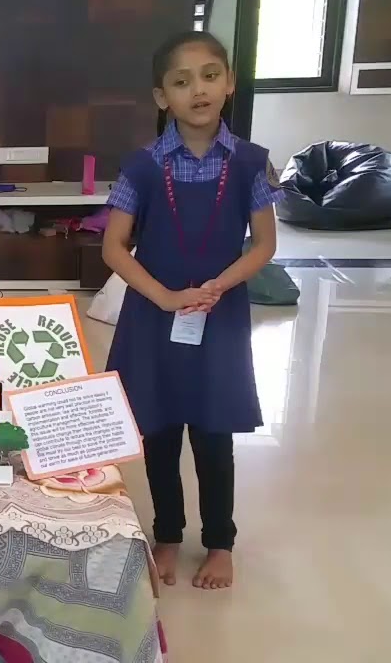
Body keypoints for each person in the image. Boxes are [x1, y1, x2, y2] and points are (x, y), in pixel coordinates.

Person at [101, 31, 282, 590]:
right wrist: (166, 297)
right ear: (162, 97)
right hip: (155, 316)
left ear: (229, 84)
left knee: (213, 431)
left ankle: (220, 542)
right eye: (181, 82)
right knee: (158, 430)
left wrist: (217, 286)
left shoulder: (250, 163)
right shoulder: (141, 166)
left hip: (218, 315)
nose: (197, 89)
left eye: (209, 75)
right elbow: (113, 248)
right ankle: (168, 536)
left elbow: (264, 244)